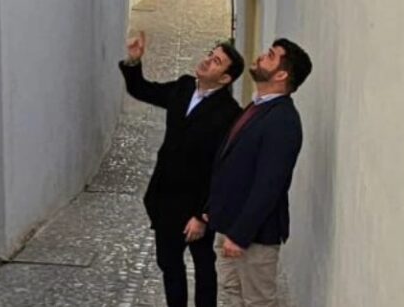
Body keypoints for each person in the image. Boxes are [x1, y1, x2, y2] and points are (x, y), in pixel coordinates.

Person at [120, 31, 245, 307]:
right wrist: (134, 61)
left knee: (203, 267)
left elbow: (222, 170)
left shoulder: (229, 113)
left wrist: (203, 215)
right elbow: (143, 90)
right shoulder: (184, 87)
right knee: (169, 264)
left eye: (216, 62)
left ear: (225, 79)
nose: (207, 61)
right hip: (165, 199)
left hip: (196, 205)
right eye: (210, 56)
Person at [207, 38, 312, 307]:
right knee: (232, 295)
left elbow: (270, 185)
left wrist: (240, 234)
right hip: (230, 226)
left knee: (257, 302)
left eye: (271, 55)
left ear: (281, 74)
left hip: (254, 237)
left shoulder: (283, 121)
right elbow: (233, 164)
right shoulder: (259, 106)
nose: (261, 56)